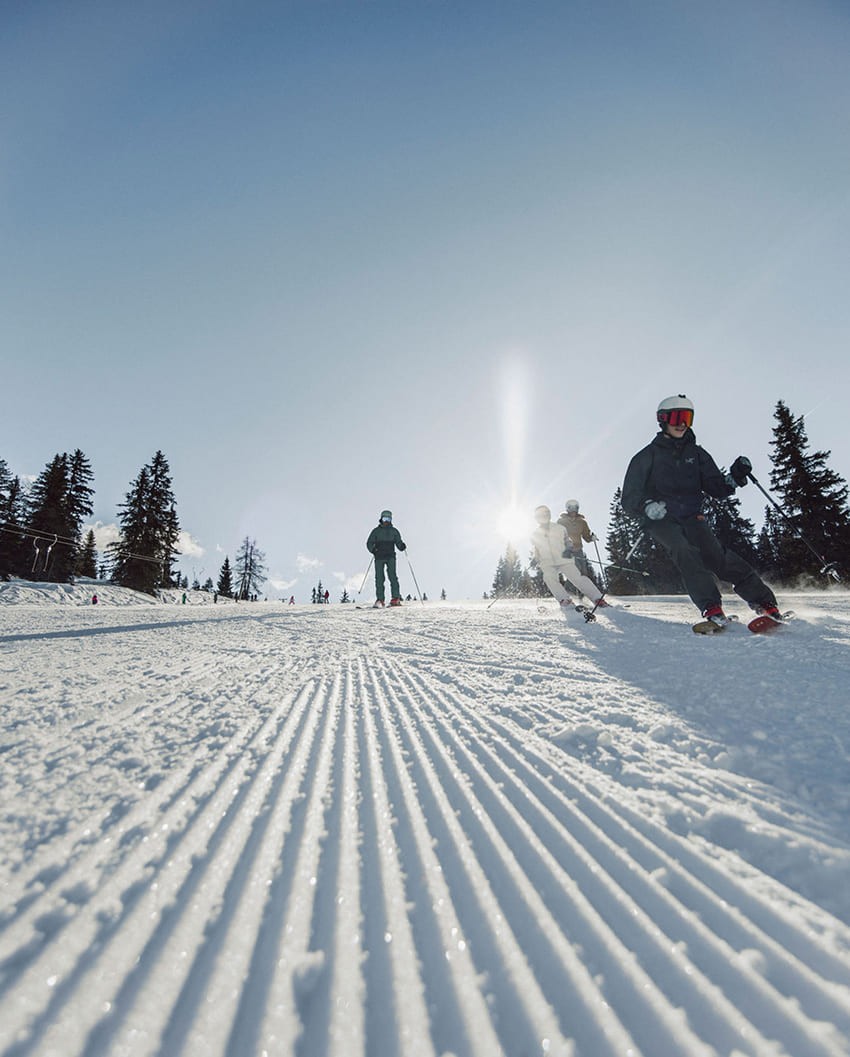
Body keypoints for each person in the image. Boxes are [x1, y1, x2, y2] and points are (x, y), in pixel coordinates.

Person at [621, 394, 781, 628]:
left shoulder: (697, 454)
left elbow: (716, 487)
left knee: (718, 558)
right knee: (684, 550)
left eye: (687, 417)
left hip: (692, 516)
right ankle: (712, 607)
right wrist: (647, 506)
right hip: (662, 519)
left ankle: (765, 604)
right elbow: (629, 497)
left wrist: (735, 476)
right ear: (663, 419)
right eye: (676, 417)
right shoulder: (646, 457)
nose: (682, 423)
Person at [531, 505, 609, 610]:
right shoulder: (535, 533)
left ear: (549, 515)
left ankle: (597, 598)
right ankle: (565, 600)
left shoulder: (559, 528)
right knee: (549, 577)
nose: (543, 517)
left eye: (545, 514)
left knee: (578, 578)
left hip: (564, 559)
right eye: (540, 515)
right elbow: (536, 548)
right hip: (547, 562)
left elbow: (568, 541)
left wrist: (569, 549)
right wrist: (535, 559)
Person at [366, 510, 406, 607]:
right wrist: (373, 550)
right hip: (379, 557)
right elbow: (369, 543)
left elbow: (398, 542)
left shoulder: (394, 531)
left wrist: (401, 546)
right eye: (385, 519)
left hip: (390, 556)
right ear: (381, 519)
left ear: (391, 520)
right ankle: (380, 599)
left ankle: (395, 598)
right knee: (379, 578)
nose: (386, 521)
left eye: (388, 519)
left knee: (392, 576)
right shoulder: (376, 531)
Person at [557, 499, 598, 576]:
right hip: (567, 550)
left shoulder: (582, 522)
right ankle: (568, 588)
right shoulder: (561, 522)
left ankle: (582, 588)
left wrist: (591, 538)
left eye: (575, 508)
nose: (573, 510)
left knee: (584, 573)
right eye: (571, 508)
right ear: (567, 509)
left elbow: (586, 536)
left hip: (578, 550)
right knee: (576, 570)